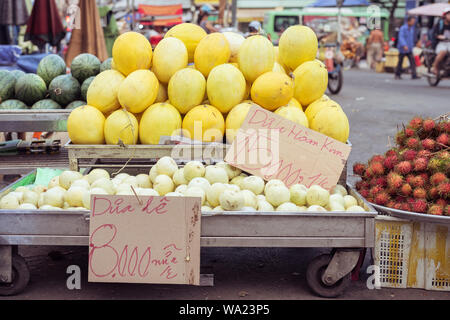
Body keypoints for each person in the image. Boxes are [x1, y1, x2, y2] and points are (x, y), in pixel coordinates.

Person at [431, 9, 450, 75]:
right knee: (443, 51)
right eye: (449, 14)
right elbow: (434, 34)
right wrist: (440, 36)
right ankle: (435, 67)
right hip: (441, 43)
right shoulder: (440, 24)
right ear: (445, 15)